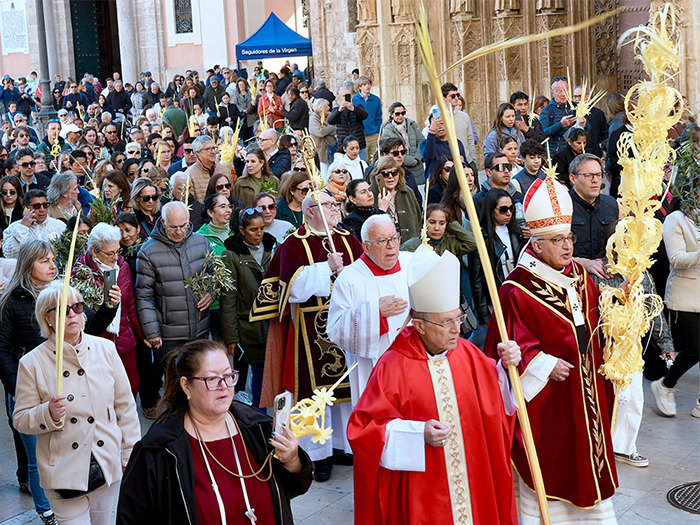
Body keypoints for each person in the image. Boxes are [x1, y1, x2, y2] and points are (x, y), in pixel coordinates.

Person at [347, 244, 521, 525]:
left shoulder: (468, 353)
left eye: (458, 318)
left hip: (473, 480)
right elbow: (363, 429)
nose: (457, 329)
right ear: (420, 326)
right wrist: (418, 434)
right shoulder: (393, 365)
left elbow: (498, 400)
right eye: (446, 323)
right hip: (425, 490)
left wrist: (507, 368)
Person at [484, 173, 618, 522]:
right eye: (557, 240)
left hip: (584, 391)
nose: (567, 246)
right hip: (550, 401)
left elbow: (594, 324)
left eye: (569, 237)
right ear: (537, 245)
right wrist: (541, 364)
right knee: (553, 467)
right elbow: (504, 347)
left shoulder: (580, 275)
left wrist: (620, 317)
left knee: (589, 463)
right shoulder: (516, 289)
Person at [117, 339, 312, 524]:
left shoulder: (257, 428)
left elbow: (293, 488)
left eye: (228, 376)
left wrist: (292, 460)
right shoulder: (159, 449)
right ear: (186, 385)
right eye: (212, 379)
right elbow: (133, 518)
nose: (224, 387)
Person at [250, 191, 363, 481]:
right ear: (309, 211)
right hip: (309, 326)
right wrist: (327, 267)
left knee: (346, 388)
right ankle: (317, 455)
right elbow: (293, 287)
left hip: (346, 323)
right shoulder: (293, 244)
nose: (334, 210)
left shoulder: (348, 239)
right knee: (314, 392)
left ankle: (343, 446)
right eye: (327, 205)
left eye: (334, 205)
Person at [13, 282, 140, 525]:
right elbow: (21, 418)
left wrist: (129, 457)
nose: (72, 314)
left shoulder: (106, 349)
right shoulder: (32, 363)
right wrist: (46, 413)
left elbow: (125, 407)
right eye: (62, 309)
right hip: (63, 473)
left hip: (106, 464)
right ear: (47, 319)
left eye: (77, 307)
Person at [135, 201, 213, 414]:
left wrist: (210, 292)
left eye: (183, 226)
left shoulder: (201, 242)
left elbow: (213, 275)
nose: (179, 232)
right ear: (163, 223)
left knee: (201, 381)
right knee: (177, 386)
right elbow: (144, 296)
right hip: (169, 334)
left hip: (199, 327)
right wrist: (152, 332)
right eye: (173, 227)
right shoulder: (148, 252)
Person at [328, 214, 412, 405]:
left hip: (414, 361)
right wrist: (375, 313)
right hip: (374, 367)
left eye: (394, 238)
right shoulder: (349, 278)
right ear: (366, 246)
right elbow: (335, 329)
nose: (391, 246)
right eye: (382, 241)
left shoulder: (413, 263)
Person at [651, 182, 700, 418]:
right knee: (695, 349)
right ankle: (665, 385)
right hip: (685, 295)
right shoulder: (675, 219)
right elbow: (677, 259)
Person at [75, 223, 142, 395]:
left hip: (123, 339)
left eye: (117, 251)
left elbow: (130, 305)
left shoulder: (122, 266)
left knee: (130, 387)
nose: (115, 257)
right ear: (94, 251)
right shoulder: (81, 271)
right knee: (103, 394)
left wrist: (142, 334)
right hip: (97, 345)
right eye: (109, 253)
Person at [220, 209, 276, 407]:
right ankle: (244, 417)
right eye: (253, 230)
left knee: (264, 376)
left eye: (261, 228)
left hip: (270, 323)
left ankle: (261, 416)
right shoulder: (232, 254)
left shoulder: (272, 248)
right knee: (244, 377)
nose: (259, 233)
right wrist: (231, 336)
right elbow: (228, 298)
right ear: (242, 230)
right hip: (247, 326)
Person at [471, 189, 525, 326]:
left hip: (519, 295)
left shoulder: (518, 233)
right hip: (496, 298)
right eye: (503, 209)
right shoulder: (482, 237)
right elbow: (477, 279)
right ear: (491, 209)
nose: (509, 213)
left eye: (511, 208)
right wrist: (483, 315)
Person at [569, 154, 619, 279]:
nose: (595, 180)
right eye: (588, 176)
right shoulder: (562, 206)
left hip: (607, 280)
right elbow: (551, 254)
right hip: (573, 277)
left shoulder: (612, 204)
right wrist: (585, 264)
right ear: (573, 178)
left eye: (598, 175)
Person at [196, 193, 233, 337]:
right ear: (210, 212)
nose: (228, 210)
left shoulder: (237, 232)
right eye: (222, 207)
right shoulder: (200, 237)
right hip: (214, 305)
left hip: (235, 302)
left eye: (229, 206)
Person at [369, 156, 421, 242]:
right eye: (385, 174)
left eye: (394, 173)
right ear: (378, 176)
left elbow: (418, 219)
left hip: (409, 247)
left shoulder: (408, 192)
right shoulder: (371, 194)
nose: (390, 177)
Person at [2, 190, 66, 258]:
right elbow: (8, 254)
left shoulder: (60, 226)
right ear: (26, 208)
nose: (42, 210)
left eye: (45, 205)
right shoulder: (13, 228)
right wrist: (23, 227)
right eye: (37, 206)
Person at [401, 203, 476, 257]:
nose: (437, 228)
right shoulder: (410, 246)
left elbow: (473, 243)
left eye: (442, 223)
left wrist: (452, 226)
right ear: (424, 222)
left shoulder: (450, 243)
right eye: (432, 222)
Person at [380, 102, 425, 185]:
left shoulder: (412, 124)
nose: (400, 116)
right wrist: (410, 160)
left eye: (403, 113)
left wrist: (417, 158)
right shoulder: (387, 131)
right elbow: (390, 151)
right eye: (397, 114)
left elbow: (421, 141)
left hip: (417, 167)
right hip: (400, 167)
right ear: (392, 114)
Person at [420, 114, 467, 183]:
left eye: (442, 123)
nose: (439, 127)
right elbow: (428, 155)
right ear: (430, 127)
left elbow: (465, 164)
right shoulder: (426, 143)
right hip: (435, 184)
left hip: (454, 183)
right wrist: (432, 132)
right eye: (436, 124)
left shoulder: (456, 143)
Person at [540, 77, 578, 154]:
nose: (563, 94)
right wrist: (561, 124)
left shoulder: (575, 107)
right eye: (559, 91)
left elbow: (586, 131)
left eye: (566, 90)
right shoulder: (547, 110)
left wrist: (584, 124)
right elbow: (543, 133)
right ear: (552, 93)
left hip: (575, 153)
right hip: (556, 154)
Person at [441, 82, 477, 163]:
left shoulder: (465, 116)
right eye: (453, 96)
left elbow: (470, 139)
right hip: (447, 163)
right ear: (444, 98)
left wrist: (473, 160)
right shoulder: (438, 117)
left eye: (457, 95)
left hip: (465, 161)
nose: (456, 98)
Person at [328, 87, 368, 157]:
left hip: (359, 145)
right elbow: (330, 121)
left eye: (348, 95)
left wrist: (353, 109)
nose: (346, 97)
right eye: (343, 96)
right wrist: (339, 110)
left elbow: (364, 115)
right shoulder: (336, 110)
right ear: (340, 97)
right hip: (344, 146)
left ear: (352, 96)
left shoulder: (358, 107)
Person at [309, 98, 336, 180]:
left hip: (332, 148)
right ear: (321, 107)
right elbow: (319, 132)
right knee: (324, 174)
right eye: (327, 106)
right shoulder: (314, 117)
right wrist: (331, 128)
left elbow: (336, 129)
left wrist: (325, 129)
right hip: (321, 150)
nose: (329, 108)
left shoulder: (331, 115)